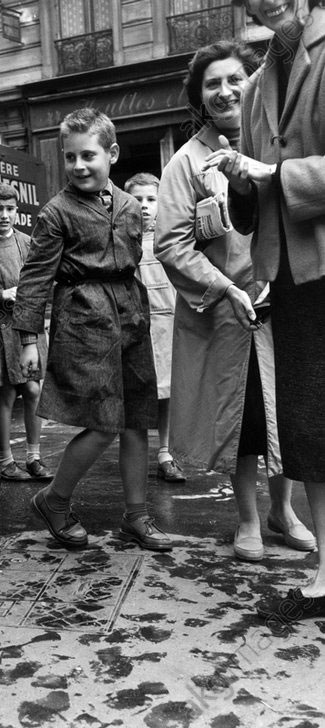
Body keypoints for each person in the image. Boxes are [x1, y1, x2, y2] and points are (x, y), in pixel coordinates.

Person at [155, 40, 314, 565]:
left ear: (253, 86)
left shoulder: (275, 147)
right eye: (212, 84)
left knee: (286, 412)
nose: (225, 91)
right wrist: (227, 287)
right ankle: (248, 517)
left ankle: (283, 511)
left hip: (286, 305)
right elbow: (171, 244)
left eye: (234, 79)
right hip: (227, 314)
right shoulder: (186, 162)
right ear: (199, 97)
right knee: (242, 421)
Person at [206, 1, 325, 622]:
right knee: (311, 428)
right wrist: (240, 182)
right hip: (293, 276)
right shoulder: (256, 85)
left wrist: (274, 174)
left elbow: (276, 173)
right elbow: (251, 202)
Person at [13, 107, 172, 552]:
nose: (79, 166)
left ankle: (137, 518)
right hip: (83, 320)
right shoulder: (55, 212)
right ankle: (54, 500)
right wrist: (29, 339)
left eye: (89, 155)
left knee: (138, 422)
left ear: (112, 153)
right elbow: (34, 278)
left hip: (131, 316)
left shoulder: (128, 205)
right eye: (70, 157)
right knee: (103, 424)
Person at [0, 182, 53, 481]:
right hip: (0, 328)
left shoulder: (27, 242)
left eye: (10, 209)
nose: (4, 215)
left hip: (29, 325)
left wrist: (28, 294)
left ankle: (34, 456)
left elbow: (40, 280)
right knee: (8, 393)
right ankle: (5, 460)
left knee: (34, 389)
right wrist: (2, 295)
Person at [124, 173, 185, 483]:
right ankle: (135, 457)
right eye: (138, 200)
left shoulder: (170, 237)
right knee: (138, 393)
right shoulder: (123, 238)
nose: (144, 206)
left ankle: (165, 452)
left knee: (167, 391)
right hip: (136, 326)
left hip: (167, 323)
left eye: (151, 199)